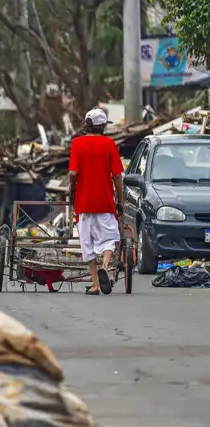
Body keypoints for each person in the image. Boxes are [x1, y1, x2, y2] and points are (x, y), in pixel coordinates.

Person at [68, 107, 124, 295]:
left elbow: (73, 173)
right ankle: (106, 266)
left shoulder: (77, 143)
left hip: (84, 202)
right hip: (105, 201)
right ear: (103, 127)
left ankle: (94, 284)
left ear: (87, 125)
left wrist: (71, 188)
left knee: (87, 243)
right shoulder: (109, 144)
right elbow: (117, 176)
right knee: (109, 238)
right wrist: (121, 200)